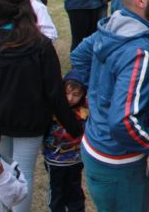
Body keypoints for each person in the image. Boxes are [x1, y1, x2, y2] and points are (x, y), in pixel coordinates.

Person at [0, 0, 83, 212]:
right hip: (26, 123)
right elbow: (54, 92)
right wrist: (74, 125)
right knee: (21, 173)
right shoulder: (40, 45)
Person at [69, 0, 149, 212]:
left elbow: (79, 56)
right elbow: (124, 121)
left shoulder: (115, 23)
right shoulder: (140, 52)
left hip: (95, 145)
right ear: (140, 0)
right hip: (118, 162)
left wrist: (101, 95)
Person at [42, 74, 88, 212]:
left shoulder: (85, 110)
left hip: (76, 160)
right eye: (66, 93)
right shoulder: (52, 107)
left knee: (75, 191)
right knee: (56, 191)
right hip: (54, 160)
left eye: (75, 95)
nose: (70, 98)